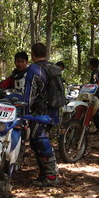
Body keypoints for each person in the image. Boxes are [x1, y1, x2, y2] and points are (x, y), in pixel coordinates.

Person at [23, 43, 59, 187]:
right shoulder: (53, 67)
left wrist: (25, 115)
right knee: (37, 141)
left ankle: (51, 176)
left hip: (40, 113)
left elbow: (29, 94)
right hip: (53, 110)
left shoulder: (34, 69)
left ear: (32, 54)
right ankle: (46, 174)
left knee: (41, 141)